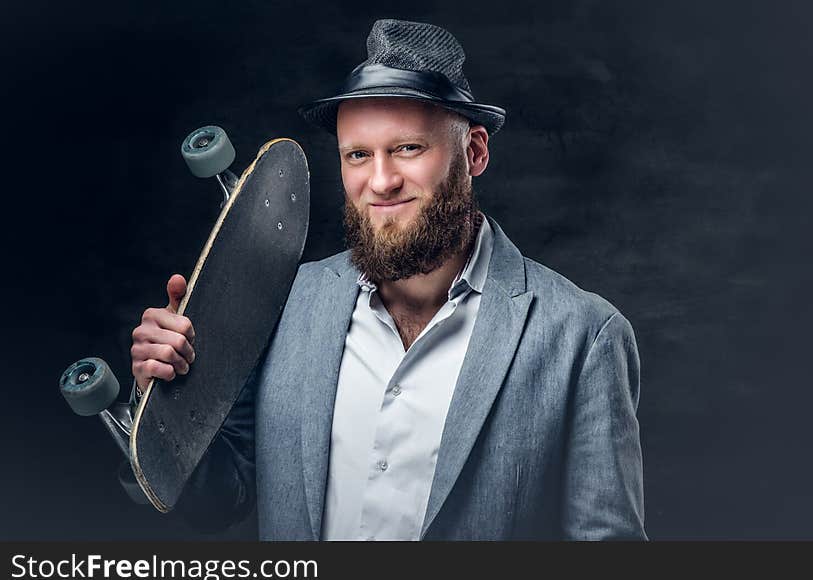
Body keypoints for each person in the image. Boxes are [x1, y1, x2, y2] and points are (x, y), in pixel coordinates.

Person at [124, 19, 646, 540]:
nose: (381, 181)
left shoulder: (584, 337)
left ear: (475, 152)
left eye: (408, 149)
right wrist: (165, 412)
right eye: (358, 155)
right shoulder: (284, 304)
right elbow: (220, 498)